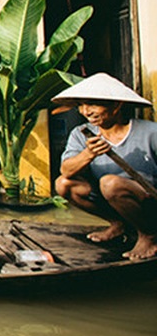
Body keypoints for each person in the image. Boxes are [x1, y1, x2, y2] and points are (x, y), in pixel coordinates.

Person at [52, 73, 157, 260]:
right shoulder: (81, 133)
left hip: (148, 201)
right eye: (81, 105)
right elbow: (66, 171)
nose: (86, 111)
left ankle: (148, 235)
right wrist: (88, 154)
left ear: (116, 105)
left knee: (110, 183)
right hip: (109, 199)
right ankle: (118, 224)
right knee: (63, 184)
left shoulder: (150, 132)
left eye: (93, 104)